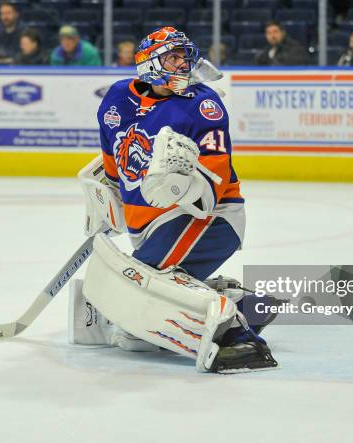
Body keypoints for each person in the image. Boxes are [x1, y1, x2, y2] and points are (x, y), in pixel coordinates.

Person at [71, 27, 278, 373]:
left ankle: (240, 339)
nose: (183, 65)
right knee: (135, 293)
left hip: (209, 219)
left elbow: (212, 191)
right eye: (173, 57)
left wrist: (180, 181)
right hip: (151, 226)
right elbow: (112, 167)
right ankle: (246, 304)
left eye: (185, 57)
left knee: (136, 314)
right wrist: (106, 202)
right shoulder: (117, 98)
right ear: (149, 64)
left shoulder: (203, 105)